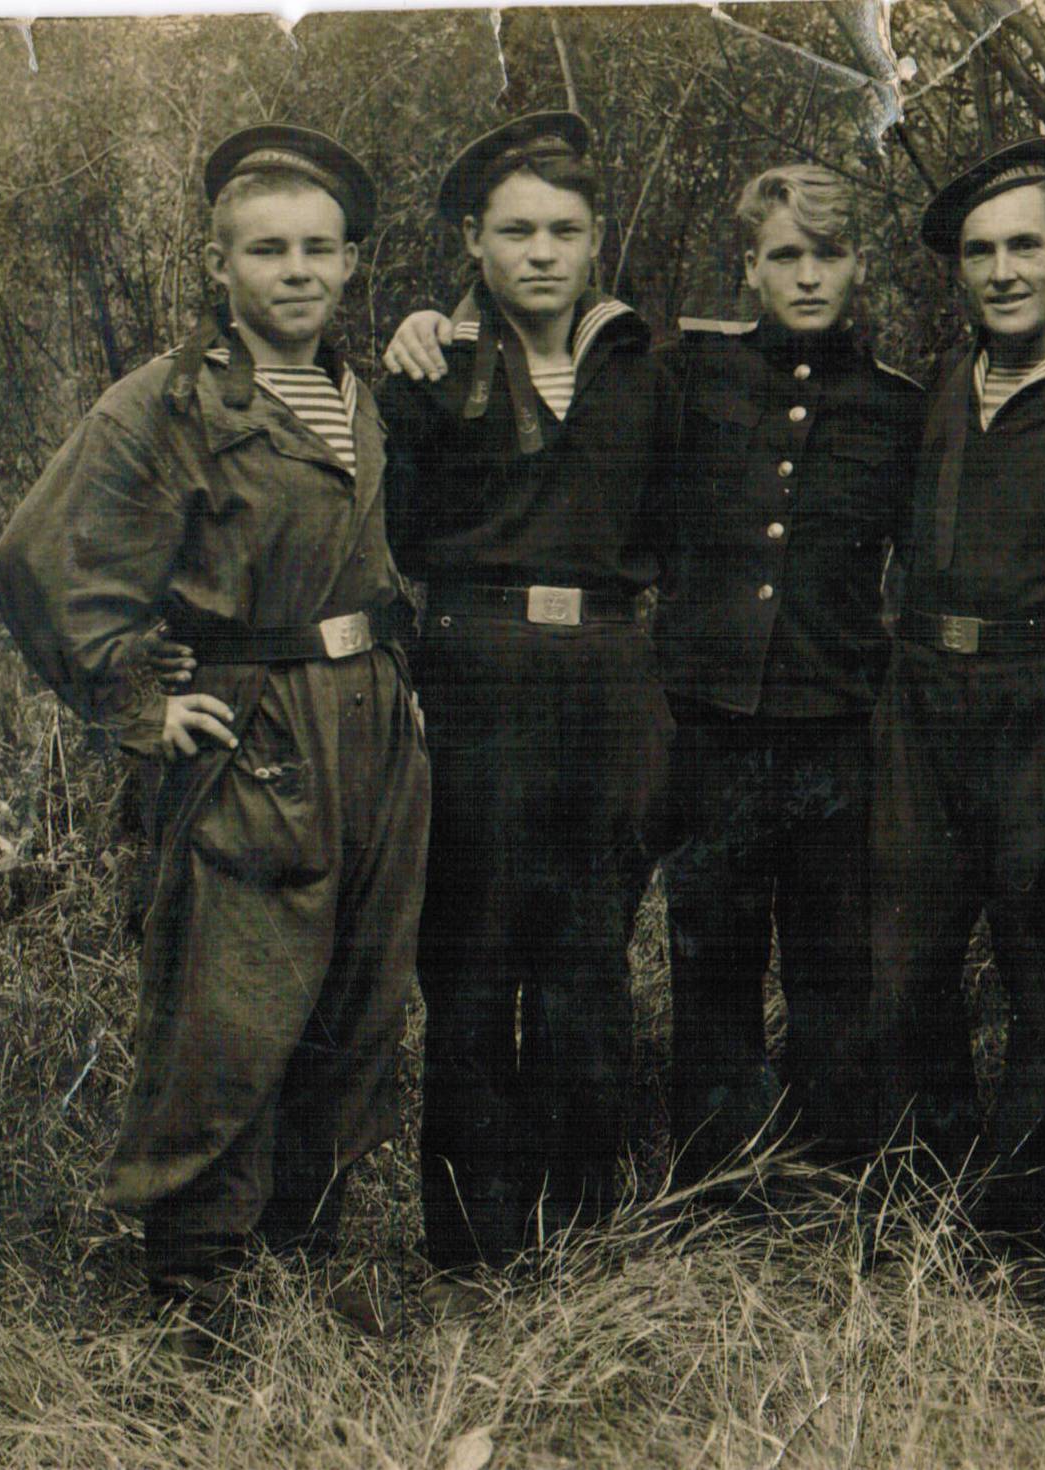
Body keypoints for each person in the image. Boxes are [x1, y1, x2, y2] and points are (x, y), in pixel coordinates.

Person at [0, 125, 430, 1350]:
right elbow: (38, 557)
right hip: (254, 731)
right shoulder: (168, 401)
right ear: (218, 265)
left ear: (351, 264)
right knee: (230, 1009)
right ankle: (197, 1286)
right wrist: (138, 700)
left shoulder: (356, 395)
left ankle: (307, 1252)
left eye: (319, 250)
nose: (297, 272)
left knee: (358, 991)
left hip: (371, 723)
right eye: (268, 250)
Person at [376, 113, 677, 1294]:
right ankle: (467, 1249)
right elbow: (395, 534)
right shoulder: (429, 369)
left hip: (605, 684)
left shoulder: (643, 366)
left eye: (563, 229)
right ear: (473, 240)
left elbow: (676, 530)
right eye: (515, 231)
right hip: (475, 679)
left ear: (597, 240)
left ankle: (579, 1239)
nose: (541, 253)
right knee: (469, 967)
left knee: (587, 962)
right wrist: (425, 343)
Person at [871, 138, 1045, 1226]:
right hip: (924, 700)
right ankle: (930, 1198)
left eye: (1025, 246)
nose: (1003, 272)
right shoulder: (949, 381)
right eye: (981, 253)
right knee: (904, 960)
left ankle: (1031, 1219)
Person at [650, 166, 923, 1171]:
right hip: (712, 726)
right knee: (711, 957)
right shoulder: (688, 379)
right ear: (750, 267)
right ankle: (718, 1181)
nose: (808, 276)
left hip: (838, 730)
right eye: (786, 255)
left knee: (835, 964)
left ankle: (832, 1177)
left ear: (860, 265)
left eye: (829, 254)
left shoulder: (897, 408)